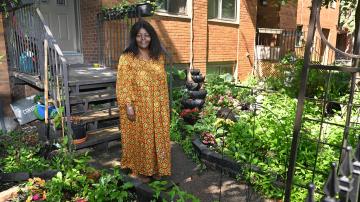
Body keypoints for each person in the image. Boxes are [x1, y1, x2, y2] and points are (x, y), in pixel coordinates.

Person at [116, 20, 171, 183]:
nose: (143, 39)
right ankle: (139, 170)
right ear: (134, 37)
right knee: (140, 138)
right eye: (139, 36)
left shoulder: (158, 56)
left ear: (151, 37)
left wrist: (163, 106)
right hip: (137, 105)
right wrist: (128, 105)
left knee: (157, 137)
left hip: (157, 105)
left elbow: (162, 81)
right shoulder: (127, 57)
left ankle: (155, 169)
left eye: (146, 35)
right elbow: (123, 81)